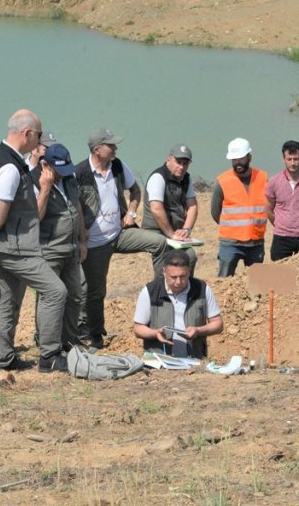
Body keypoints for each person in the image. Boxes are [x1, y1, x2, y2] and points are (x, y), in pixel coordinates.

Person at [0, 110, 70, 372]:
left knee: (7, 300)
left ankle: (1, 358)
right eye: (38, 135)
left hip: (6, 245)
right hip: (16, 247)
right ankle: (50, 356)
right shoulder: (9, 168)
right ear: (27, 134)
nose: (40, 141)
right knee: (55, 291)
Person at [76, 128, 168, 347]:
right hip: (95, 242)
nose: (115, 148)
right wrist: (81, 234)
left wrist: (131, 213)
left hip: (120, 233)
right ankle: (94, 334)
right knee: (96, 291)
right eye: (111, 145)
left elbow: (136, 191)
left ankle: (160, 297)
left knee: (160, 243)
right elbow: (74, 207)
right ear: (97, 150)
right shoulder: (79, 173)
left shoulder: (117, 166)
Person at [33, 142, 88, 357]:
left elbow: (77, 208)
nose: (62, 174)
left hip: (71, 249)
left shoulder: (69, 179)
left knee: (75, 296)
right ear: (46, 165)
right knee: (52, 299)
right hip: (49, 250)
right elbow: (35, 218)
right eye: (58, 170)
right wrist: (45, 188)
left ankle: (69, 342)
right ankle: (49, 346)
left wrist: (82, 240)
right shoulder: (34, 181)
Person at [133, 250, 224, 358]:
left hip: (194, 361)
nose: (178, 282)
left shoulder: (202, 289)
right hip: (159, 362)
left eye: (183, 276)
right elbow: (138, 328)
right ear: (164, 272)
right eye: (173, 277)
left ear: (189, 271)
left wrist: (198, 331)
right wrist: (155, 333)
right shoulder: (150, 291)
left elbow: (218, 324)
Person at [213, 138, 269, 276]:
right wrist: (233, 228)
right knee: (224, 280)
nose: (238, 162)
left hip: (255, 242)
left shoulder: (263, 178)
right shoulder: (223, 181)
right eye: (234, 159)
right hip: (230, 243)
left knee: (256, 281)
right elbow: (215, 212)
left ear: (249, 157)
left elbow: (270, 205)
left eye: (241, 158)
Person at [143, 144, 199, 265]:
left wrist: (186, 229)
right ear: (169, 159)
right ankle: (161, 277)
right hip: (156, 231)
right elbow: (156, 209)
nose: (181, 167)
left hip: (175, 233)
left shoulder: (186, 179)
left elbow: (192, 206)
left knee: (190, 257)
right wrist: (171, 234)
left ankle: (185, 279)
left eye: (185, 164)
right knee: (169, 259)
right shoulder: (158, 177)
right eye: (178, 162)